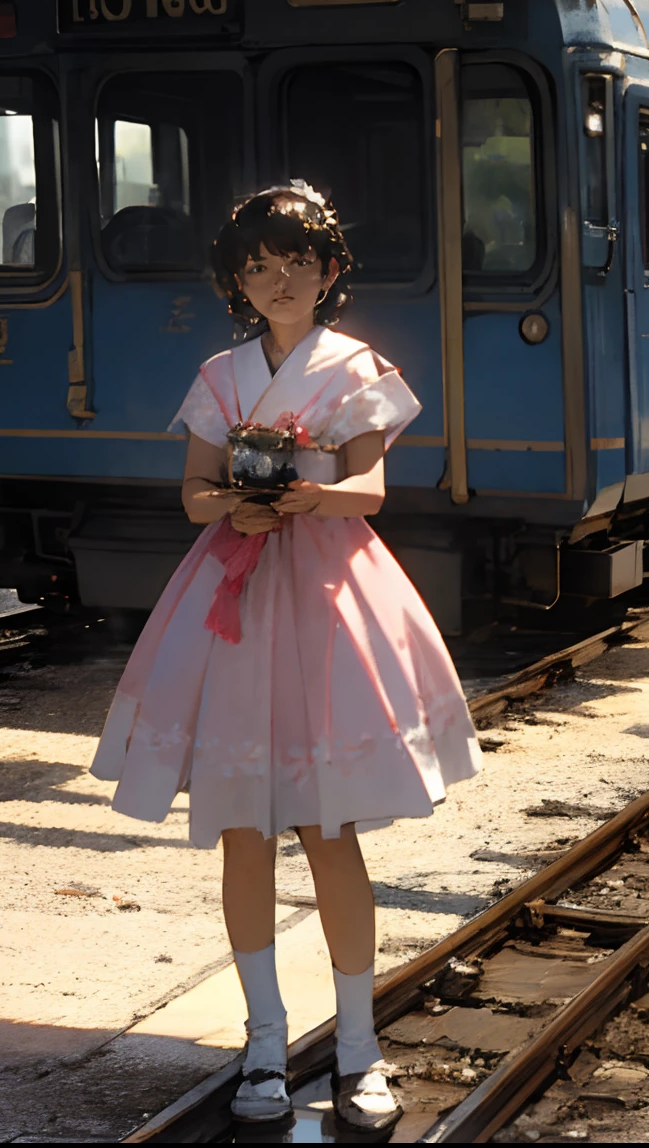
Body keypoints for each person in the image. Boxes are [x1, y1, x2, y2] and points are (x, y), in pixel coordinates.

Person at [90, 183, 482, 1131]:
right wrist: (232, 503)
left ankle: (358, 1046)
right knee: (242, 829)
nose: (279, 279)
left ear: (330, 270)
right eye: (259, 266)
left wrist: (312, 497)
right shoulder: (220, 375)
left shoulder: (354, 369)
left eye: (297, 261)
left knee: (330, 826)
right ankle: (264, 1041)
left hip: (326, 596)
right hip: (236, 590)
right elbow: (191, 492)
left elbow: (374, 486)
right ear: (238, 280)